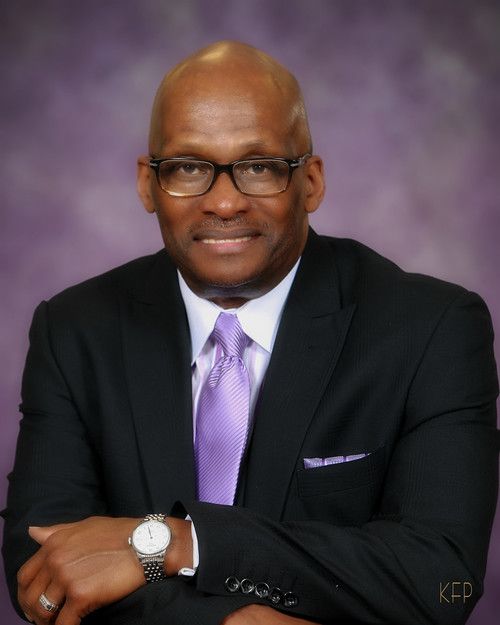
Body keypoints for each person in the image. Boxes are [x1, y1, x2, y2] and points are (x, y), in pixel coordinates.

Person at [2, 40, 498, 625]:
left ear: (310, 181)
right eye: (189, 167)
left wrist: (181, 542)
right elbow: (43, 571)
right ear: (147, 184)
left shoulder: (432, 329)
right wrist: (237, 622)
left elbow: (443, 581)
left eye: (259, 167)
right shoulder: (74, 331)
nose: (224, 202)